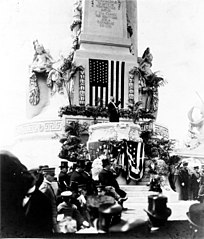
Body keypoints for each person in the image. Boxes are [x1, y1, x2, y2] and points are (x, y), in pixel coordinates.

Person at [39, 167, 58, 233]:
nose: (53, 177)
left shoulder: (48, 185)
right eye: (51, 175)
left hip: (52, 213)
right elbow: (40, 201)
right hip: (49, 214)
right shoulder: (45, 186)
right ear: (45, 175)